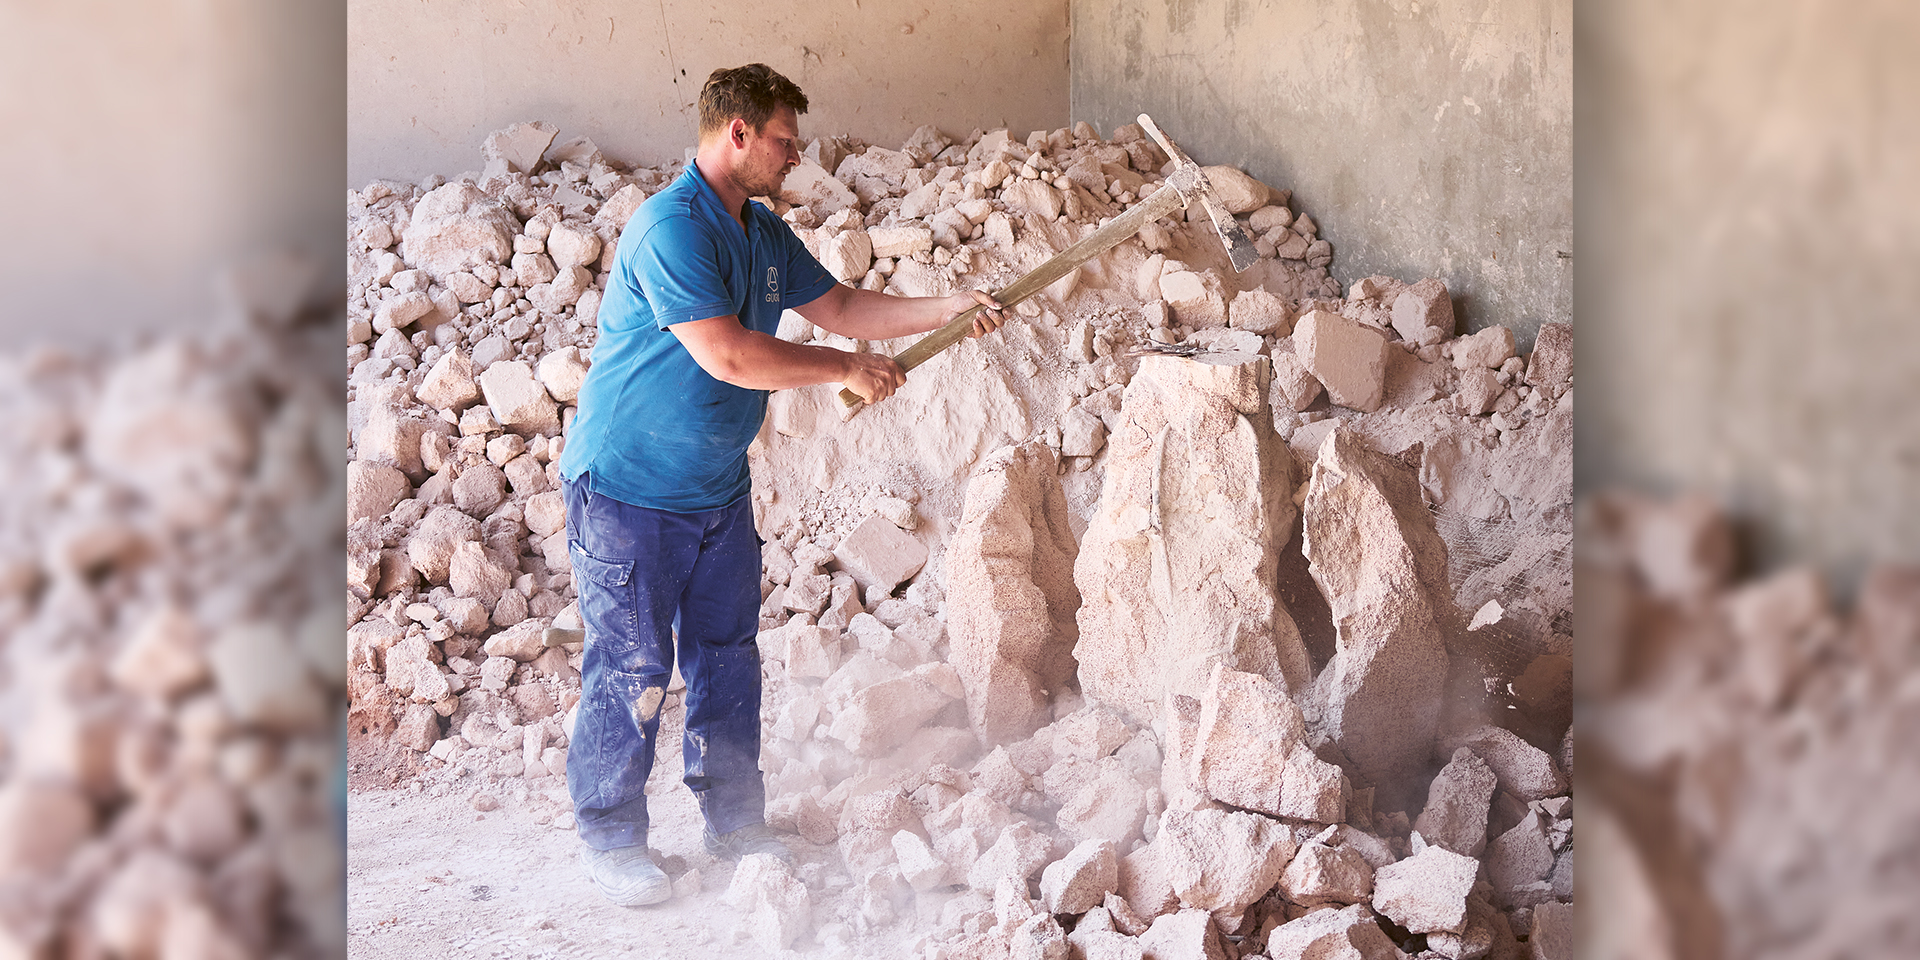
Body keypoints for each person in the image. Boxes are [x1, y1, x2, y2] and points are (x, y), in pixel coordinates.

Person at [554, 62, 1005, 907]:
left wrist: (946, 306)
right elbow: (727, 353)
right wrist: (845, 371)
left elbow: (840, 305)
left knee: (726, 661)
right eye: (783, 142)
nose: (794, 157)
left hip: (715, 490)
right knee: (634, 664)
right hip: (627, 492)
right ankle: (612, 836)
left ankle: (735, 824)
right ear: (737, 134)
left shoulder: (758, 233)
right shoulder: (671, 230)